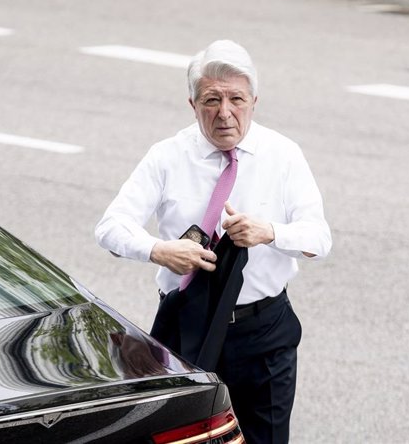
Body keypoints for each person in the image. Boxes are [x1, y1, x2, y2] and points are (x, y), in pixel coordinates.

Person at [95, 39, 332, 443]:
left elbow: (319, 239)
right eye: (211, 100)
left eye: (236, 99)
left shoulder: (283, 155)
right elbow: (111, 228)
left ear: (254, 100)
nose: (225, 113)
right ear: (192, 104)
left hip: (262, 331)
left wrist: (271, 232)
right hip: (187, 325)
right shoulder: (168, 156)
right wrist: (159, 250)